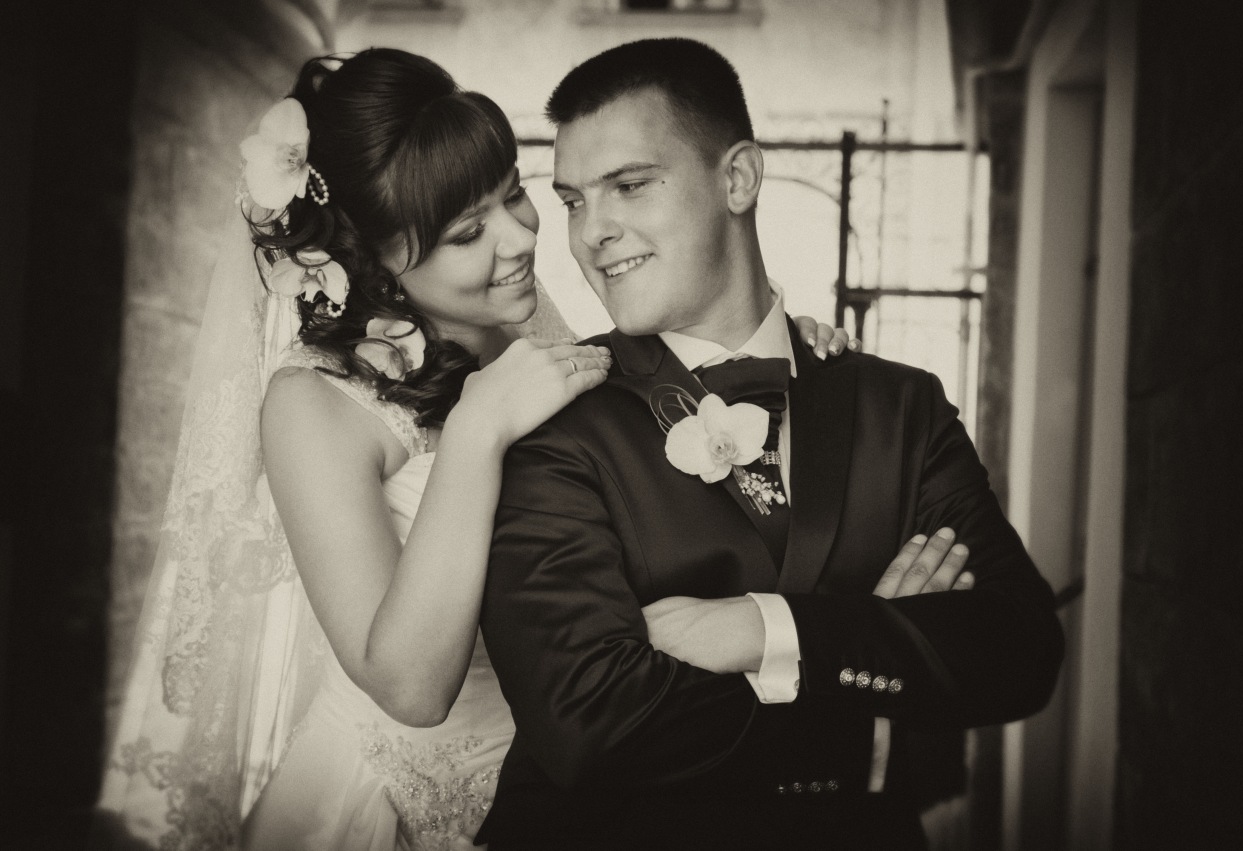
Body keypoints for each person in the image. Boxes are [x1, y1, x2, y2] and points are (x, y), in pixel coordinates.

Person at [94, 48, 863, 851]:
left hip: (571, 787)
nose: (520, 237)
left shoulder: (540, 338)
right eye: (468, 232)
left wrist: (776, 351)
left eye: (514, 194)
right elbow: (409, 686)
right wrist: (474, 432)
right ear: (376, 259)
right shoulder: (313, 401)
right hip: (387, 805)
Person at [478, 37, 1065, 850]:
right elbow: (590, 721)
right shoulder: (553, 421)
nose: (591, 233)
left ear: (739, 179)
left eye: (630, 185)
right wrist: (873, 712)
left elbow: (1018, 648)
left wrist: (763, 629)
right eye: (574, 201)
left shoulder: (901, 407)